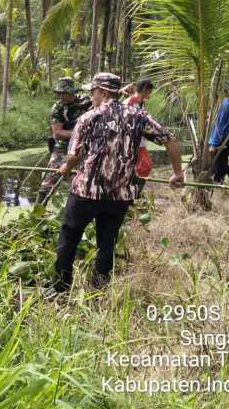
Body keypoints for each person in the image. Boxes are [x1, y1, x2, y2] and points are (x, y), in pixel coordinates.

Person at [53, 73, 184, 292]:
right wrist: (178, 173)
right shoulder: (138, 116)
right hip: (119, 195)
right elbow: (169, 140)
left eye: (93, 92)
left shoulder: (88, 118)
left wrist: (66, 167)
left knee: (69, 237)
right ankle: (100, 290)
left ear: (103, 92)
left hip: (86, 192)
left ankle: (60, 288)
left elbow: (74, 155)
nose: (90, 97)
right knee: (107, 242)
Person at [36, 77, 91, 204]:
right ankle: (37, 212)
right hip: (63, 148)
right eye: (59, 93)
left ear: (71, 92)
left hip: (84, 148)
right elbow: (58, 133)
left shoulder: (86, 101)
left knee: (83, 182)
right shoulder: (58, 108)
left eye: (63, 93)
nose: (60, 96)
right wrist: (80, 134)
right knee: (48, 182)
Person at [123, 79, 155, 180]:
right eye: (150, 91)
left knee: (144, 167)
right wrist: (145, 132)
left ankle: (132, 186)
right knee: (145, 166)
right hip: (131, 141)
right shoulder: (130, 103)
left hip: (138, 141)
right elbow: (127, 124)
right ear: (145, 90)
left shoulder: (140, 103)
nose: (150, 94)